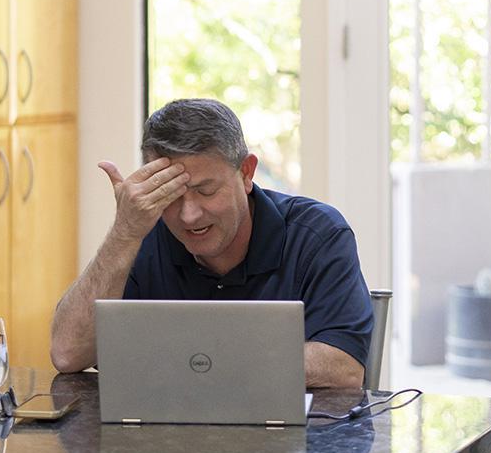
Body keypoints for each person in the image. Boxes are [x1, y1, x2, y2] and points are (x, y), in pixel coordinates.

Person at [50, 98, 373, 388]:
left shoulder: (317, 233)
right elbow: (67, 354)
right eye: (173, 195)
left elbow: (343, 367)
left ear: (246, 173)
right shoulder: (140, 231)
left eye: (206, 191)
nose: (189, 216)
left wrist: (194, 358)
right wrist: (124, 233)